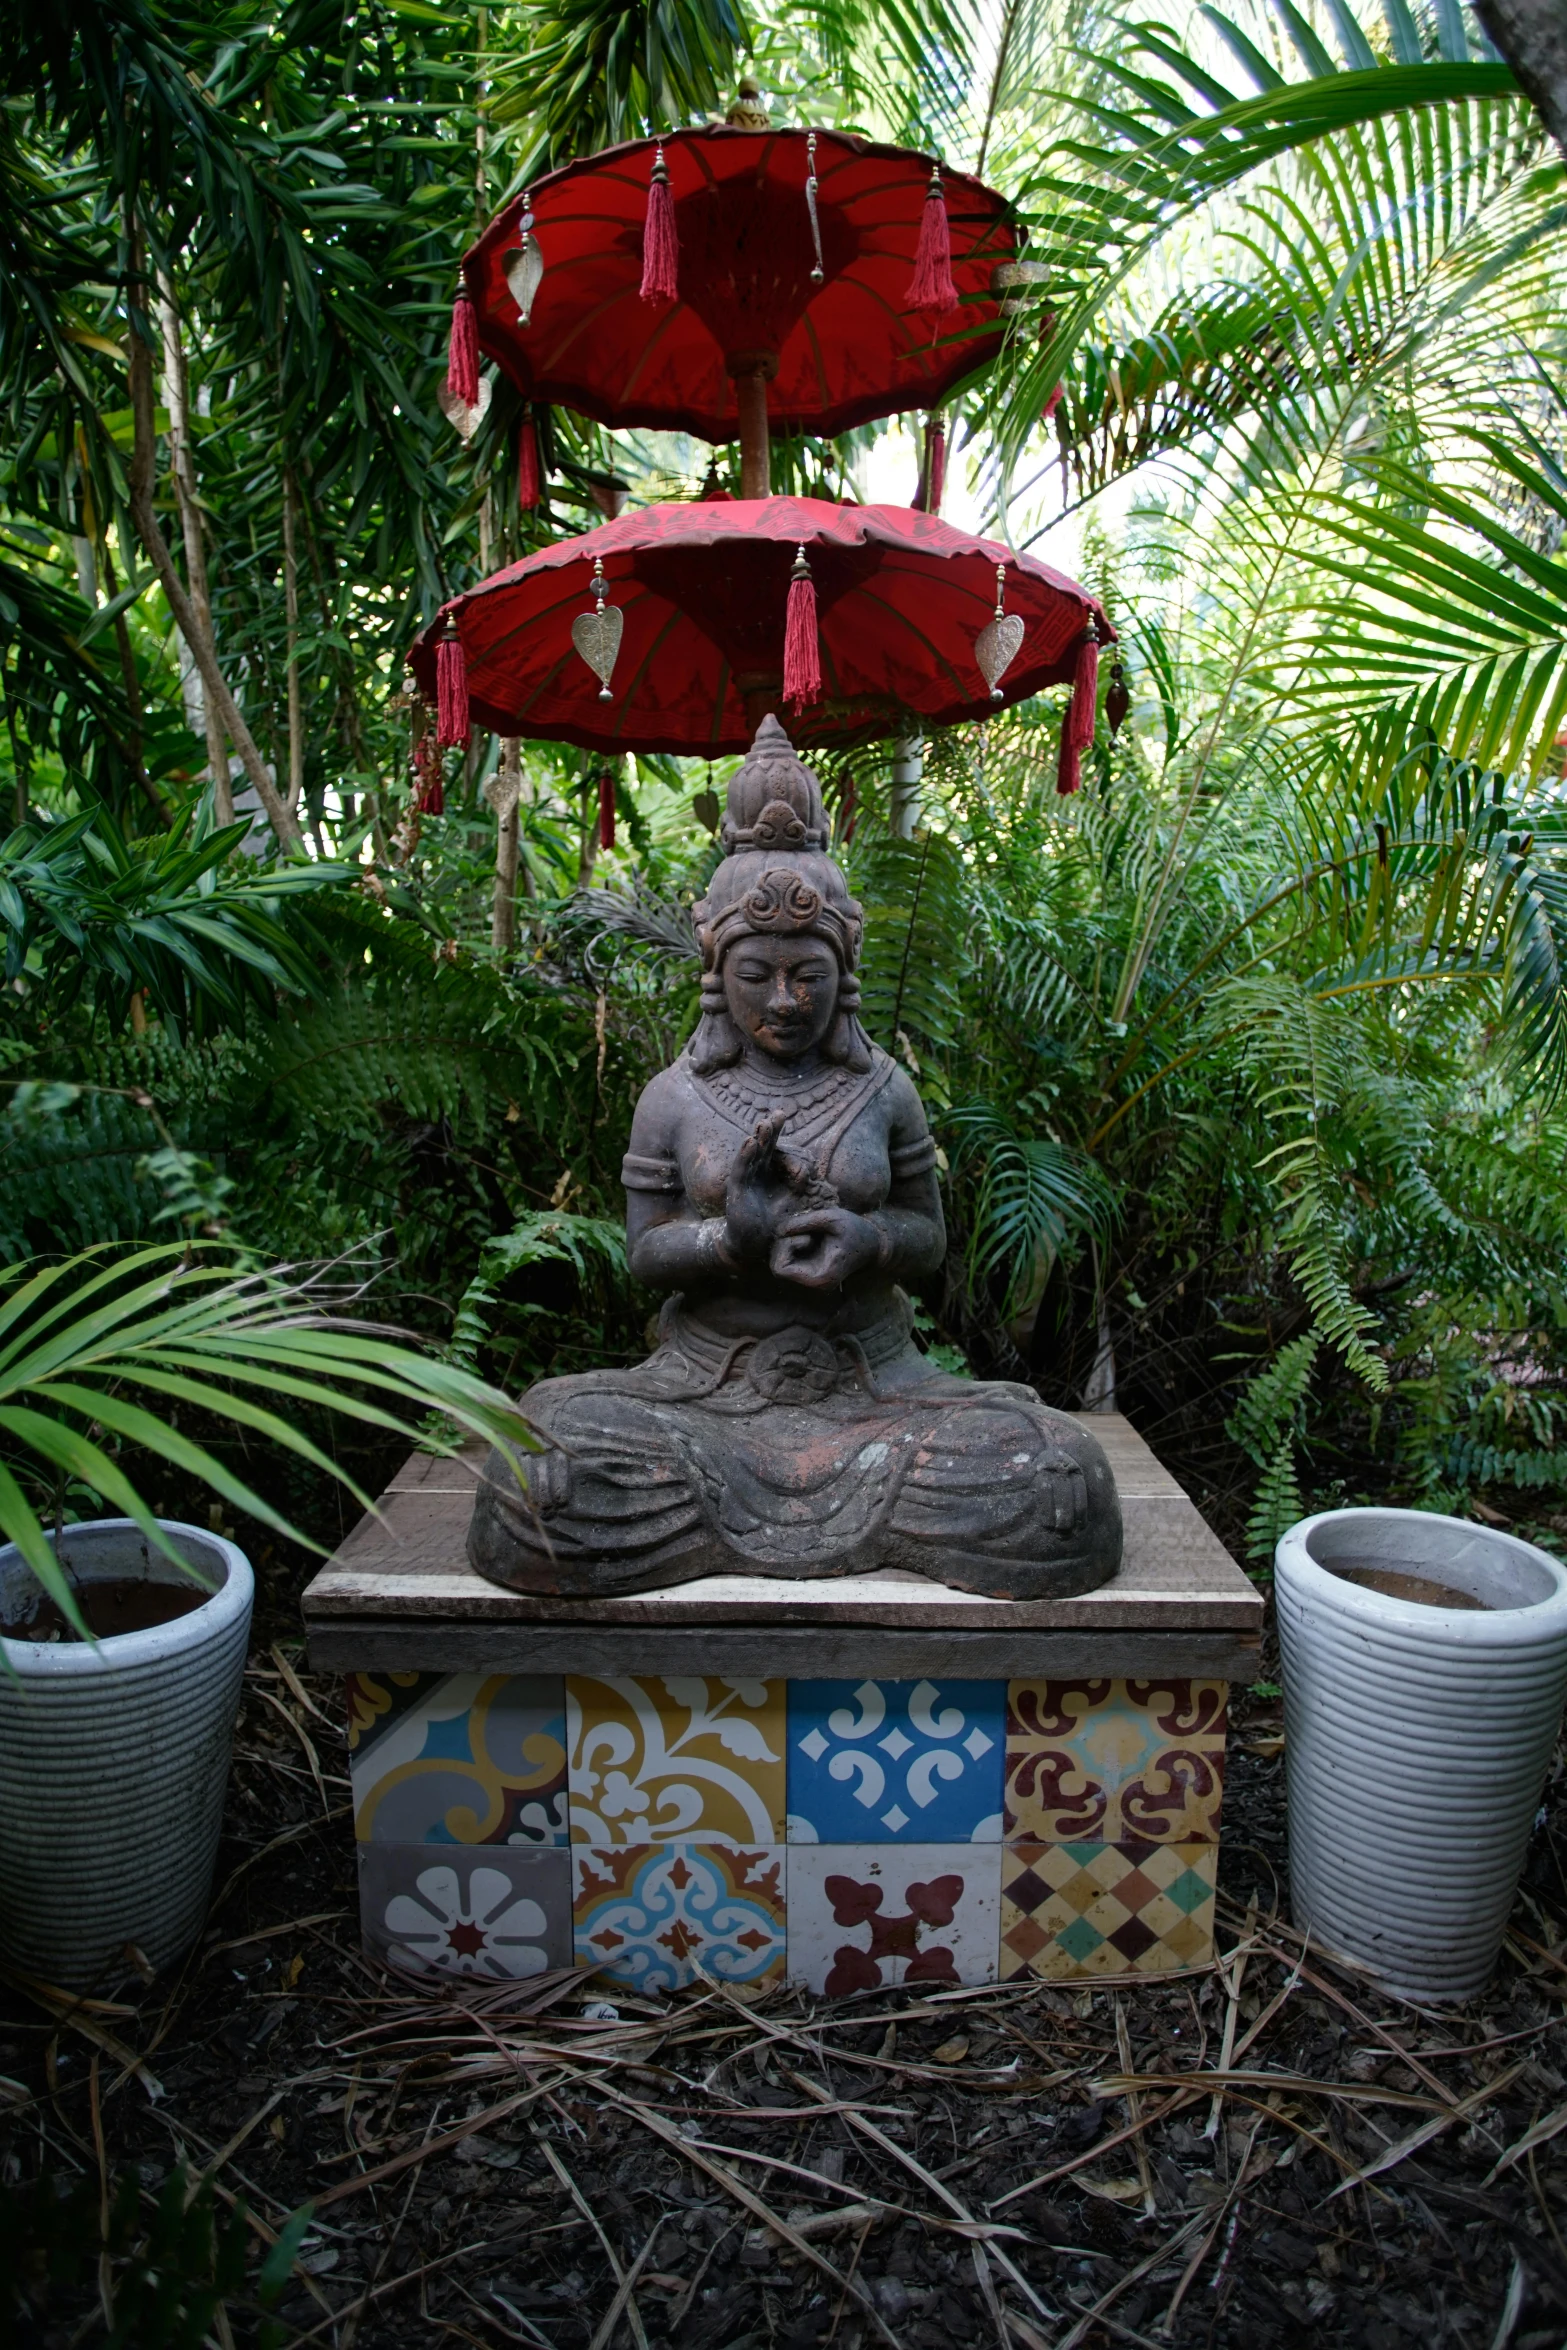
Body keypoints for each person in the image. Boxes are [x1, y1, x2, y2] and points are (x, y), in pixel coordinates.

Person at [469, 717, 1121, 1599]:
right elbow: (643, 1253)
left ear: (841, 969)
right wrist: (731, 1244)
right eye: (757, 975)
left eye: (807, 975)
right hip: (704, 1390)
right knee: (544, 1476)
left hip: (876, 1388)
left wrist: (868, 1240)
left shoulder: (883, 1087)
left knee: (1052, 1477)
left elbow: (927, 1237)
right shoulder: (674, 1095)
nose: (784, 999)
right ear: (717, 971)